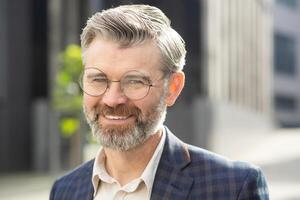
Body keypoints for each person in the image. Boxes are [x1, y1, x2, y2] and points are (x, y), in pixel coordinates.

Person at [50, 4, 269, 200]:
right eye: (98, 79)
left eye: (134, 81)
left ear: (172, 88)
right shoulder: (65, 190)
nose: (113, 99)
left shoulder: (233, 188)